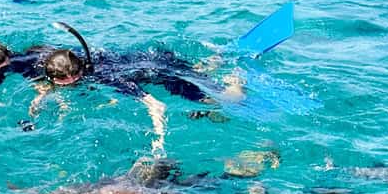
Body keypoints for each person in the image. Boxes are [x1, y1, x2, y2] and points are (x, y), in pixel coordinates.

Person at [26, 26, 246, 153]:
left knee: (229, 99)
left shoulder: (107, 77)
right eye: (63, 81)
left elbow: (155, 104)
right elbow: (49, 83)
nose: (71, 82)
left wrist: (159, 139)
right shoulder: (64, 66)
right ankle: (210, 62)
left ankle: (235, 77)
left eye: (74, 78)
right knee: (193, 71)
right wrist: (37, 103)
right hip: (144, 59)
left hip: (160, 72)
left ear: (80, 71)